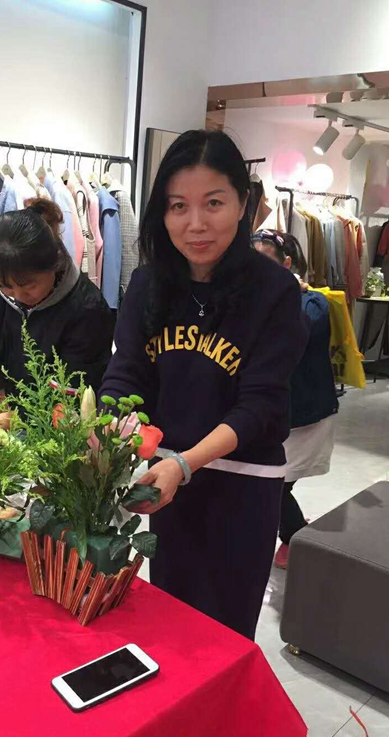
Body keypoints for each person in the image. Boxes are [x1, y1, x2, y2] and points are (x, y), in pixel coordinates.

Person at [99, 130, 308, 640]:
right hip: (168, 483)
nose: (195, 223)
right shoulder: (149, 284)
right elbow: (128, 372)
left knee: (223, 634)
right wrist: (102, 428)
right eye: (178, 206)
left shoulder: (274, 291)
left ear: (242, 204)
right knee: (170, 620)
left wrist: (185, 464)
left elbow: (260, 406)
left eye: (213, 203)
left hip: (242, 485)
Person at [0, 198, 114, 394]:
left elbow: (70, 394)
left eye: (28, 285)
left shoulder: (88, 310)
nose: (18, 295)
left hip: (57, 410)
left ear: (55, 261)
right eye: (6, 286)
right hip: (7, 404)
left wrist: (11, 411)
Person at [252, 230, 338, 569]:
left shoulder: (311, 303)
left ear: (286, 264)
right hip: (270, 412)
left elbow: (293, 338)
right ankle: (293, 534)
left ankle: (294, 536)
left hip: (305, 415)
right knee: (267, 481)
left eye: (265, 262)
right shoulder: (251, 300)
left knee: (276, 485)